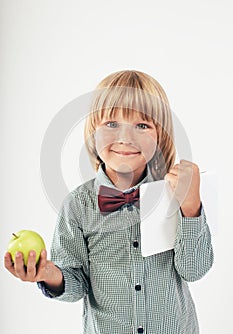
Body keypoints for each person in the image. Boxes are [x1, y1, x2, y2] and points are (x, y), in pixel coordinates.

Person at [4, 70, 214, 334]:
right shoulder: (77, 206)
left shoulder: (176, 193)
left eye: (142, 125)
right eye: (112, 124)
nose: (125, 138)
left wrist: (191, 207)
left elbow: (194, 270)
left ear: (160, 135)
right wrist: (48, 273)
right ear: (93, 132)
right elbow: (76, 284)